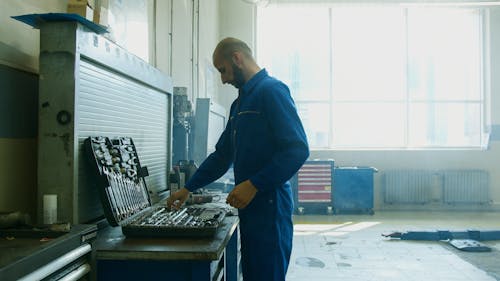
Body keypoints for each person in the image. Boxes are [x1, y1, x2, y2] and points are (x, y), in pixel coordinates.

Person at [167, 37, 309, 281]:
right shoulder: (240, 104)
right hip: (250, 210)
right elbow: (223, 155)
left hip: (270, 210)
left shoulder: (272, 91)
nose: (223, 79)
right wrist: (188, 188)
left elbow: (297, 149)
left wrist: (254, 184)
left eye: (223, 70)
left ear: (237, 58)